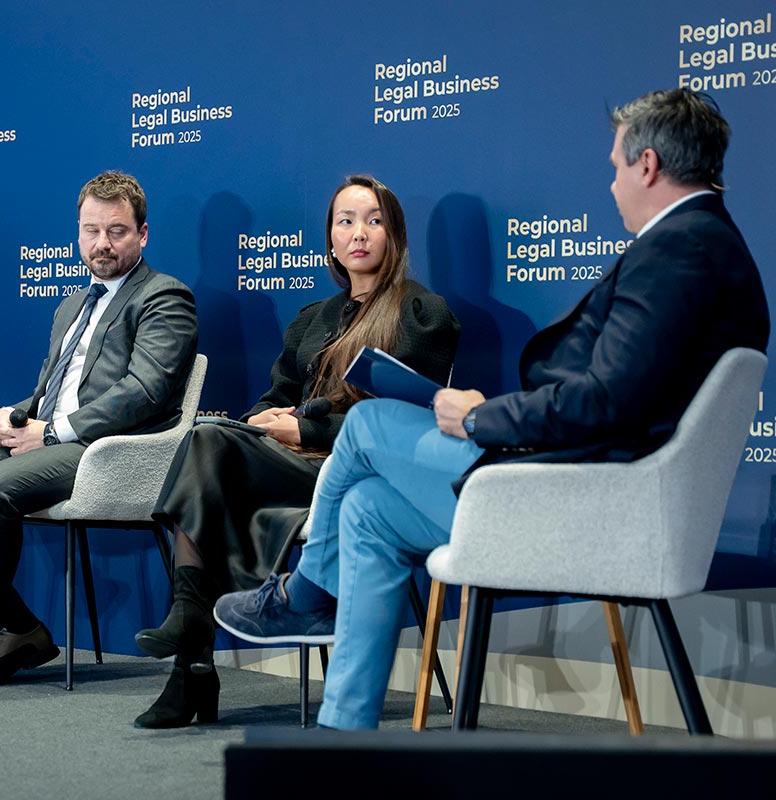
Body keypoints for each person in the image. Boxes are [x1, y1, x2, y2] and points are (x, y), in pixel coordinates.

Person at [214, 88, 771, 729]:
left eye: (616, 166)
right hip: (594, 484)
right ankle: (345, 737)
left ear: (647, 165)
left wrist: (482, 419)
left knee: (367, 422)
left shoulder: (678, 251)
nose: (612, 183)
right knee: (366, 510)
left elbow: (605, 401)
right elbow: (619, 393)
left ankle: (303, 593)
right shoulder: (708, 245)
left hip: (590, 499)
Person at [133, 176, 460, 728]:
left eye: (374, 220)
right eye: (345, 222)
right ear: (331, 239)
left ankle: (191, 650)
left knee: (209, 451)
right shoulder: (313, 318)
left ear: (395, 234)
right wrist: (262, 420)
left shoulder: (423, 313)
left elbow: (406, 425)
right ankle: (192, 652)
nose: (359, 233)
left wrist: (305, 431)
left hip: (352, 475)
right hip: (288, 464)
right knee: (211, 446)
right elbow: (277, 395)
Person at [0, 171, 198, 687]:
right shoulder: (71, 306)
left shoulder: (164, 296)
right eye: (91, 230)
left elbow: (145, 391)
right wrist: (13, 414)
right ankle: (19, 627)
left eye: (117, 231)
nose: (102, 244)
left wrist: (53, 432)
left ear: (143, 234)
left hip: (108, 450)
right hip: (52, 442)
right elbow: (50, 391)